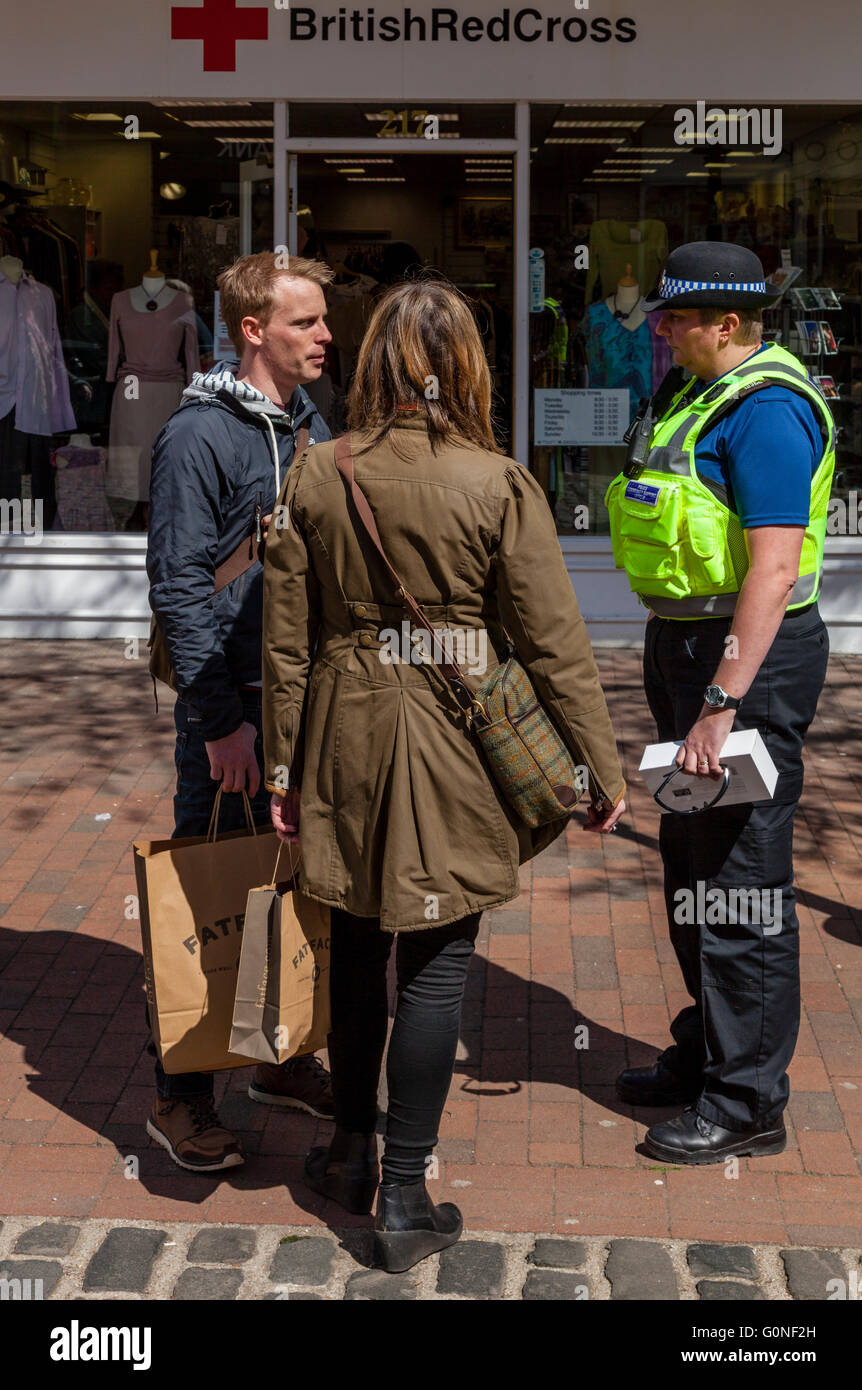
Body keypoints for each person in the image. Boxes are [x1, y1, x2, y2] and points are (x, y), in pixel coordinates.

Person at [262, 278, 626, 1271]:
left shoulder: (315, 470)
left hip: (341, 725)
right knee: (433, 963)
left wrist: (282, 769)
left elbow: (285, 644)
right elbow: (551, 641)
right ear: (464, 364)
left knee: (350, 939)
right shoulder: (495, 480)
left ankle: (346, 1150)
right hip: (453, 730)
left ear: (374, 360)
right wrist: (598, 765)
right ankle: (402, 1194)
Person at [608, 242, 835, 1163]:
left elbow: (774, 574)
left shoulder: (770, 411)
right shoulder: (693, 393)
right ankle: (708, 1049)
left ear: (728, 324)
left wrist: (720, 701)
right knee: (692, 863)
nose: (659, 328)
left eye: (676, 317)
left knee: (740, 883)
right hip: (689, 647)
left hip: (746, 664)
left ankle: (747, 1101)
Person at [144, 251, 335, 1172]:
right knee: (208, 895)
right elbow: (178, 585)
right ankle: (179, 1099)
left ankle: (282, 1054)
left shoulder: (305, 422)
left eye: (324, 321)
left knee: (289, 883)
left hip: (296, 700)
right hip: (231, 705)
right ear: (253, 331)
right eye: (306, 323)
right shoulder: (197, 436)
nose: (326, 336)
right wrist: (219, 721)